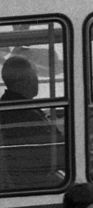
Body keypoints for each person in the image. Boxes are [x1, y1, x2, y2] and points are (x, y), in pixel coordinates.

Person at [0, 52, 64, 191]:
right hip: (35, 180)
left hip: (27, 174)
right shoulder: (25, 114)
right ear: (25, 81)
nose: (37, 81)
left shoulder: (9, 104)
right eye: (35, 76)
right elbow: (55, 155)